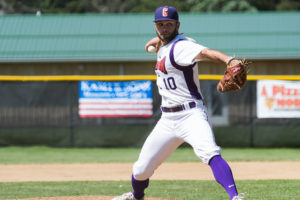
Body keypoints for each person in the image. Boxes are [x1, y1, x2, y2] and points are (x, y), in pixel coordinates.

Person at [112, 6, 244, 200]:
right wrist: (158, 41)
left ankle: (235, 197)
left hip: (191, 115)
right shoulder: (164, 44)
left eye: (169, 24)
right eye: (160, 24)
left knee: (210, 153)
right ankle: (136, 196)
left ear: (177, 25)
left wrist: (228, 59)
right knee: (141, 169)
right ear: (155, 26)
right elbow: (156, 43)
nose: (164, 28)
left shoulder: (183, 46)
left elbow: (206, 52)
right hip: (167, 119)